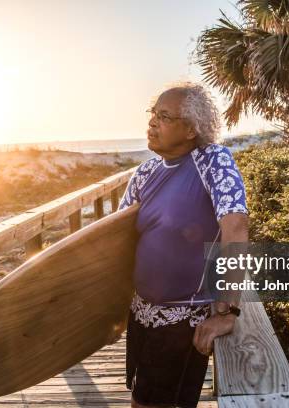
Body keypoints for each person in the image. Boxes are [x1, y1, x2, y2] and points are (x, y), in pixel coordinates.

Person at [118, 82, 249, 408]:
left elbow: (236, 228)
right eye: (153, 114)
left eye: (164, 116)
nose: (152, 122)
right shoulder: (144, 173)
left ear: (191, 128)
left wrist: (229, 310)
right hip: (140, 314)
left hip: (182, 319)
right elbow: (114, 239)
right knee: (139, 398)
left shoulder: (212, 161)